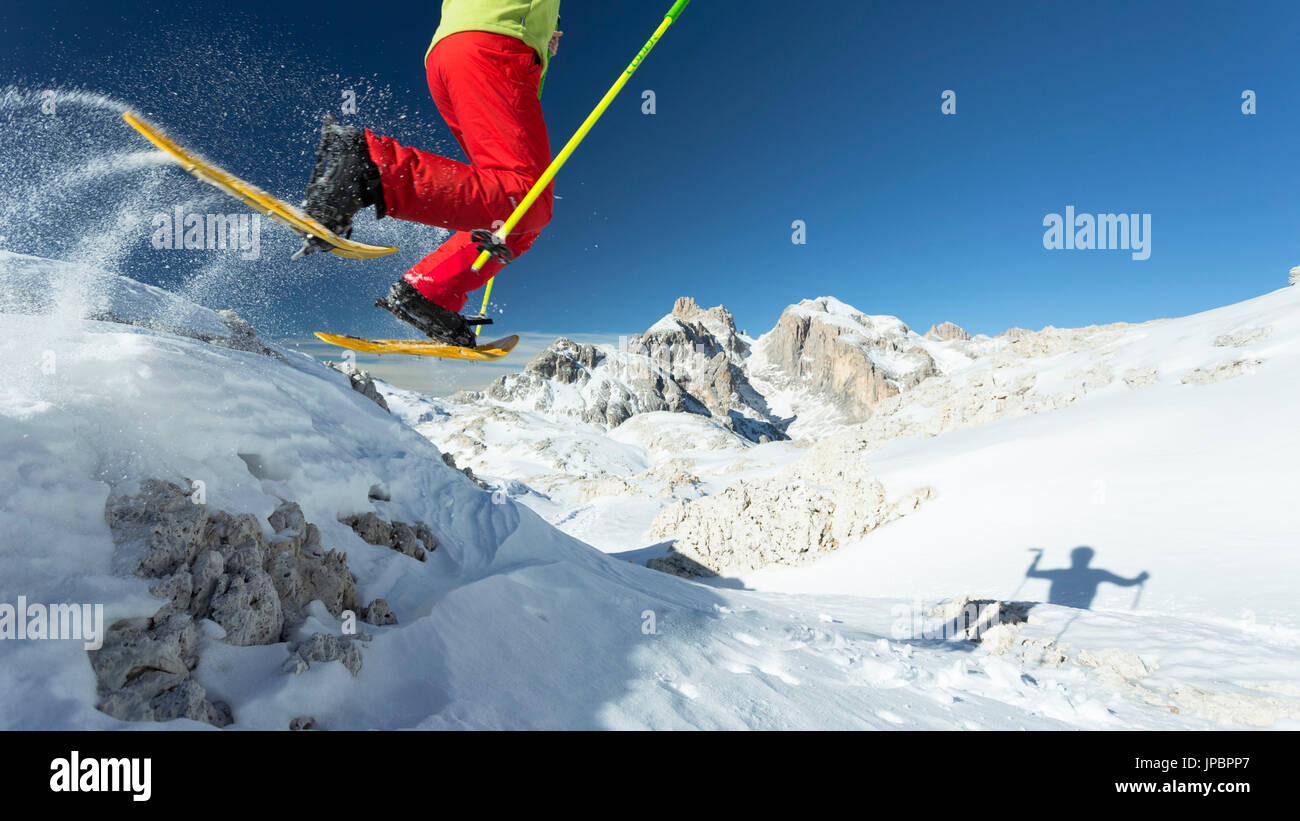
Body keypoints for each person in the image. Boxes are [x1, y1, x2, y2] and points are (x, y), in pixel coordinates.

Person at [298, 1, 562, 346]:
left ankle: (432, 291)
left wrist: (540, 37)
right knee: (529, 196)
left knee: (516, 218)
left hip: (459, 52)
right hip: (496, 47)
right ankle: (367, 167)